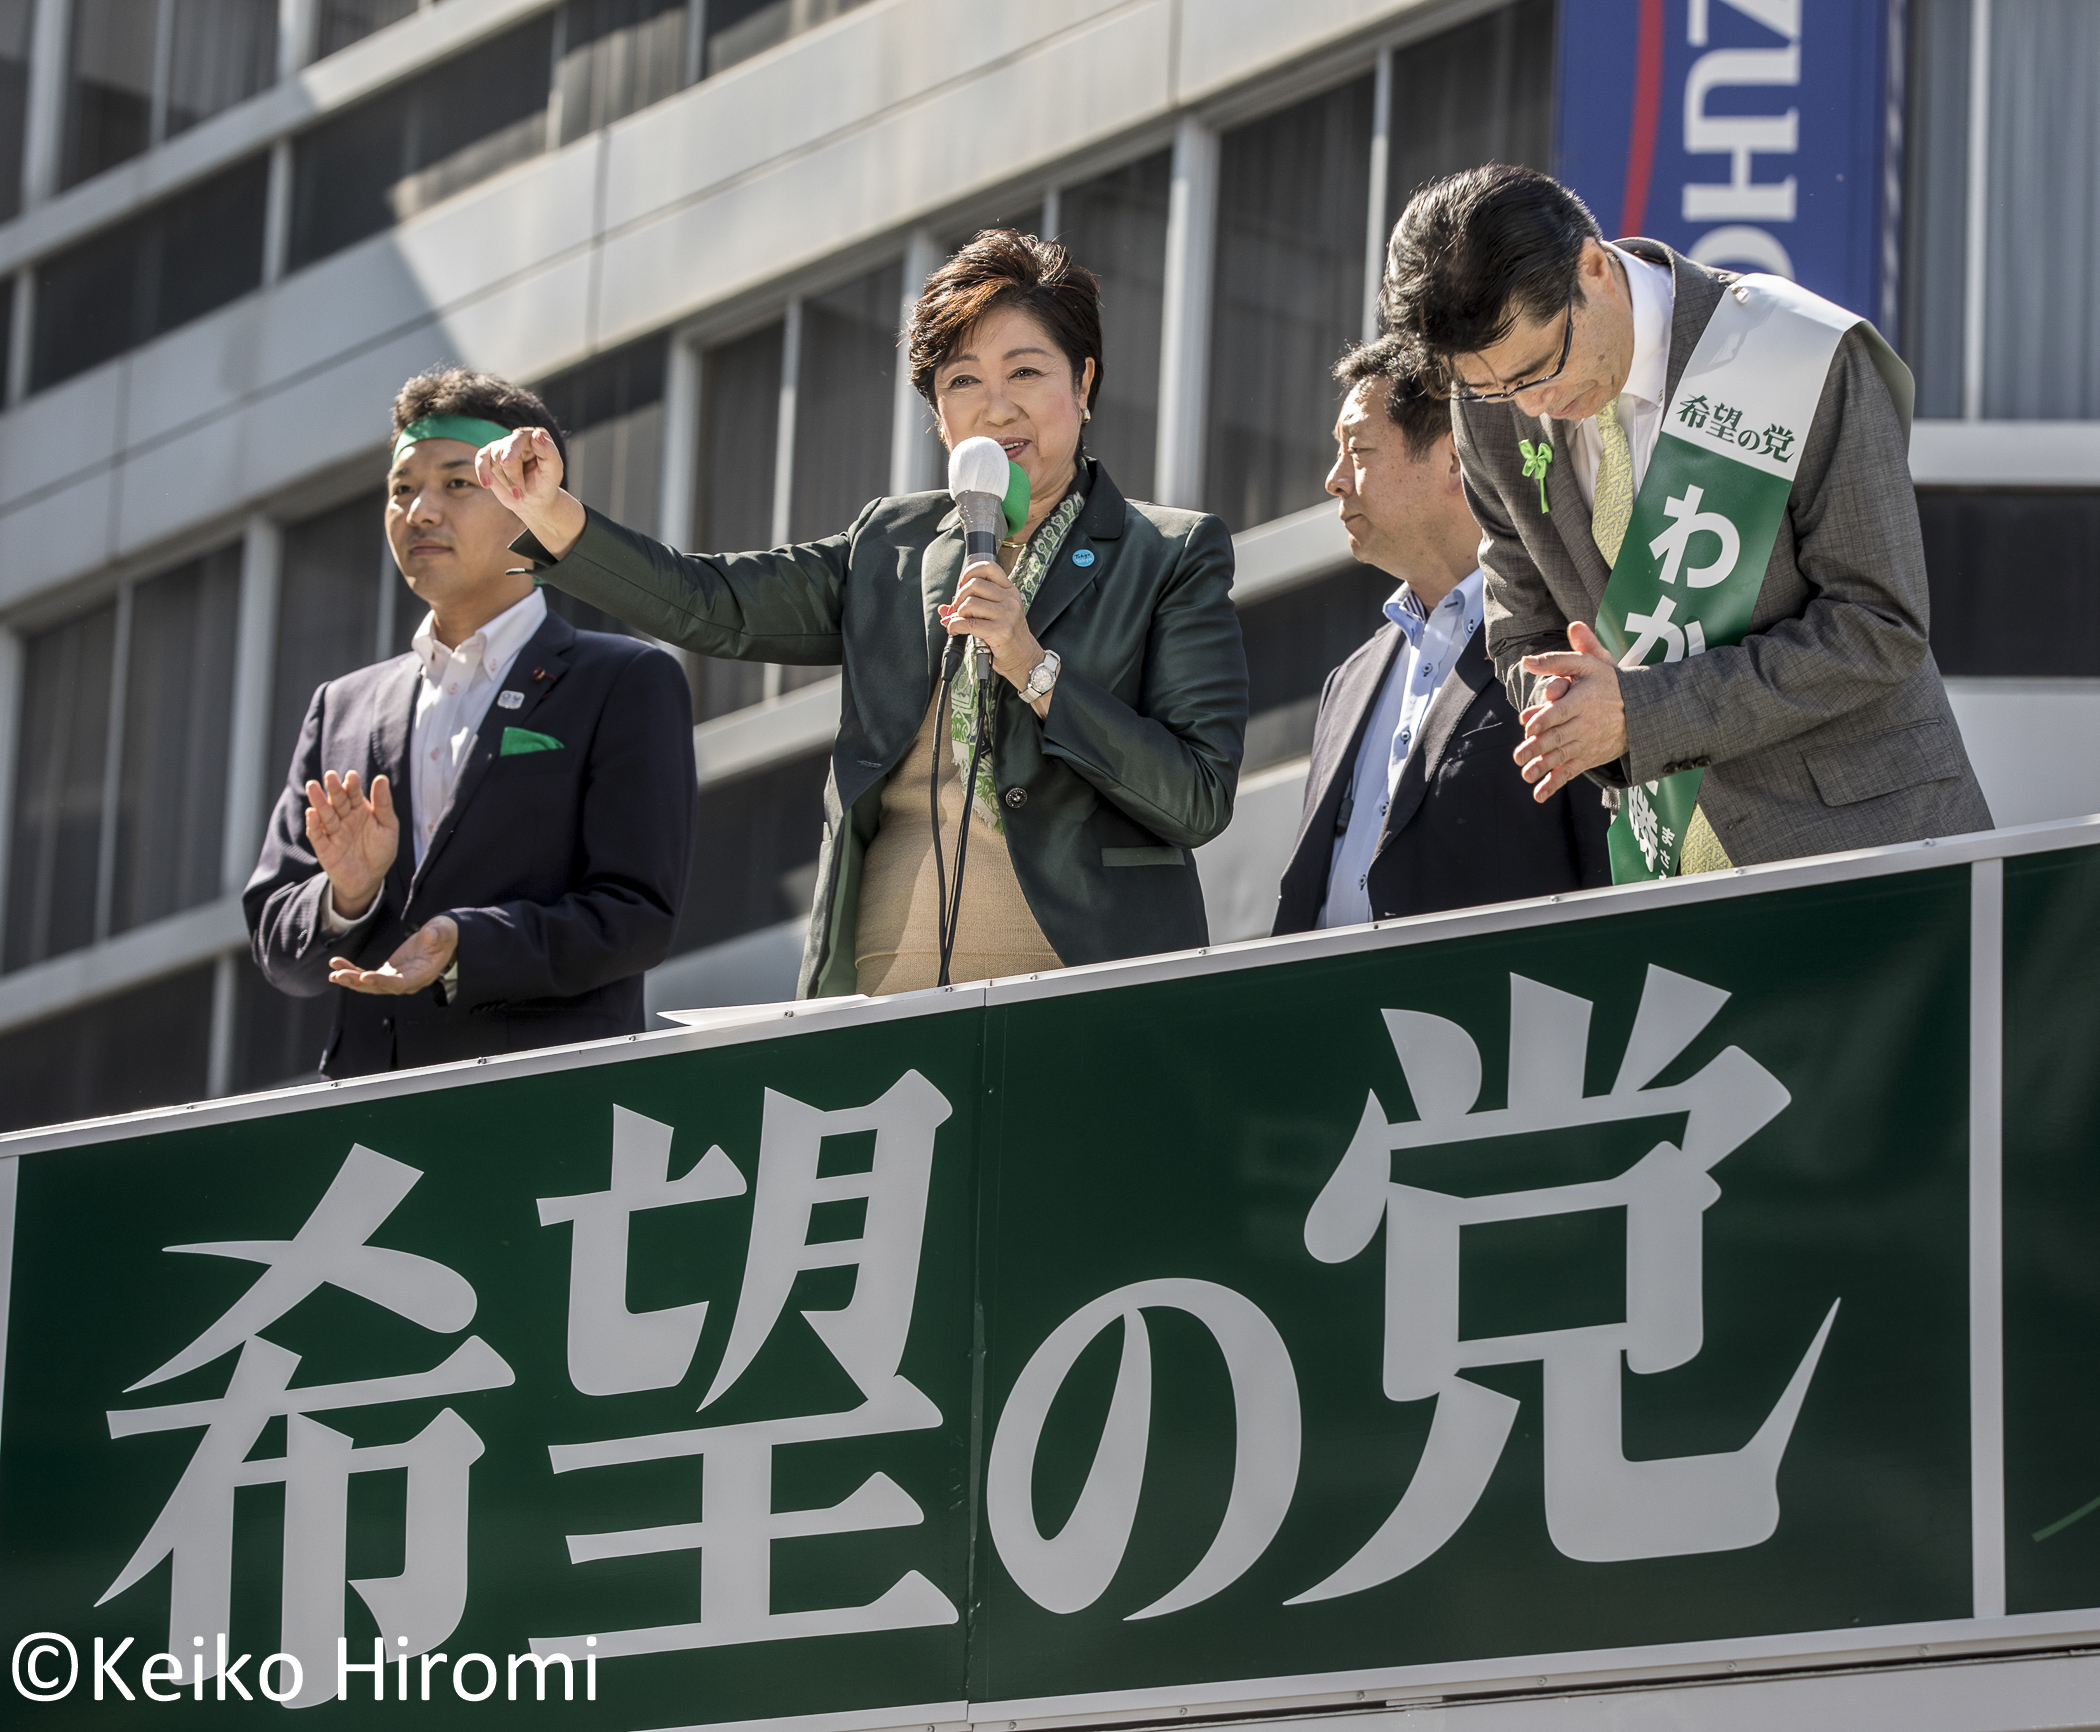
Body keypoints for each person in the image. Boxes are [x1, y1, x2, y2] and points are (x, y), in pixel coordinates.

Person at [478, 230, 1247, 997]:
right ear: (938, 417)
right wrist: (552, 513)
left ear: (1082, 383)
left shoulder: (1167, 552)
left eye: (1026, 372)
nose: (996, 407)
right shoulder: (892, 544)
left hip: (1087, 979)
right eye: (962, 382)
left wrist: (1034, 667)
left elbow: (1197, 796)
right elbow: (710, 604)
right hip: (890, 978)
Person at [1380, 165, 1990, 874]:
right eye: (1491, 389)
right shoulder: (1484, 419)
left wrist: (1644, 712)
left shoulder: (1791, 352)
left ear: (1593, 267)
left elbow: (1880, 626)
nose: (1530, 408)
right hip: (1665, 863)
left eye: (1541, 368)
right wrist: (1564, 702)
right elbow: (1521, 621)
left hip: (1868, 842)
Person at [245, 368, 696, 1078]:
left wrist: (466, 942)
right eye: (401, 489)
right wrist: (347, 896)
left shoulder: (622, 681)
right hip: (368, 1122)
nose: (420, 511)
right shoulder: (343, 706)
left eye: (457, 483)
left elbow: (637, 917)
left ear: (528, 502)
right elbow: (280, 949)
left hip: (545, 1111)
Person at [1273, 336, 1609, 934]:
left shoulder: (1562, 647)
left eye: (1359, 450)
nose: (1335, 479)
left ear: (1456, 457)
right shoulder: (1347, 682)